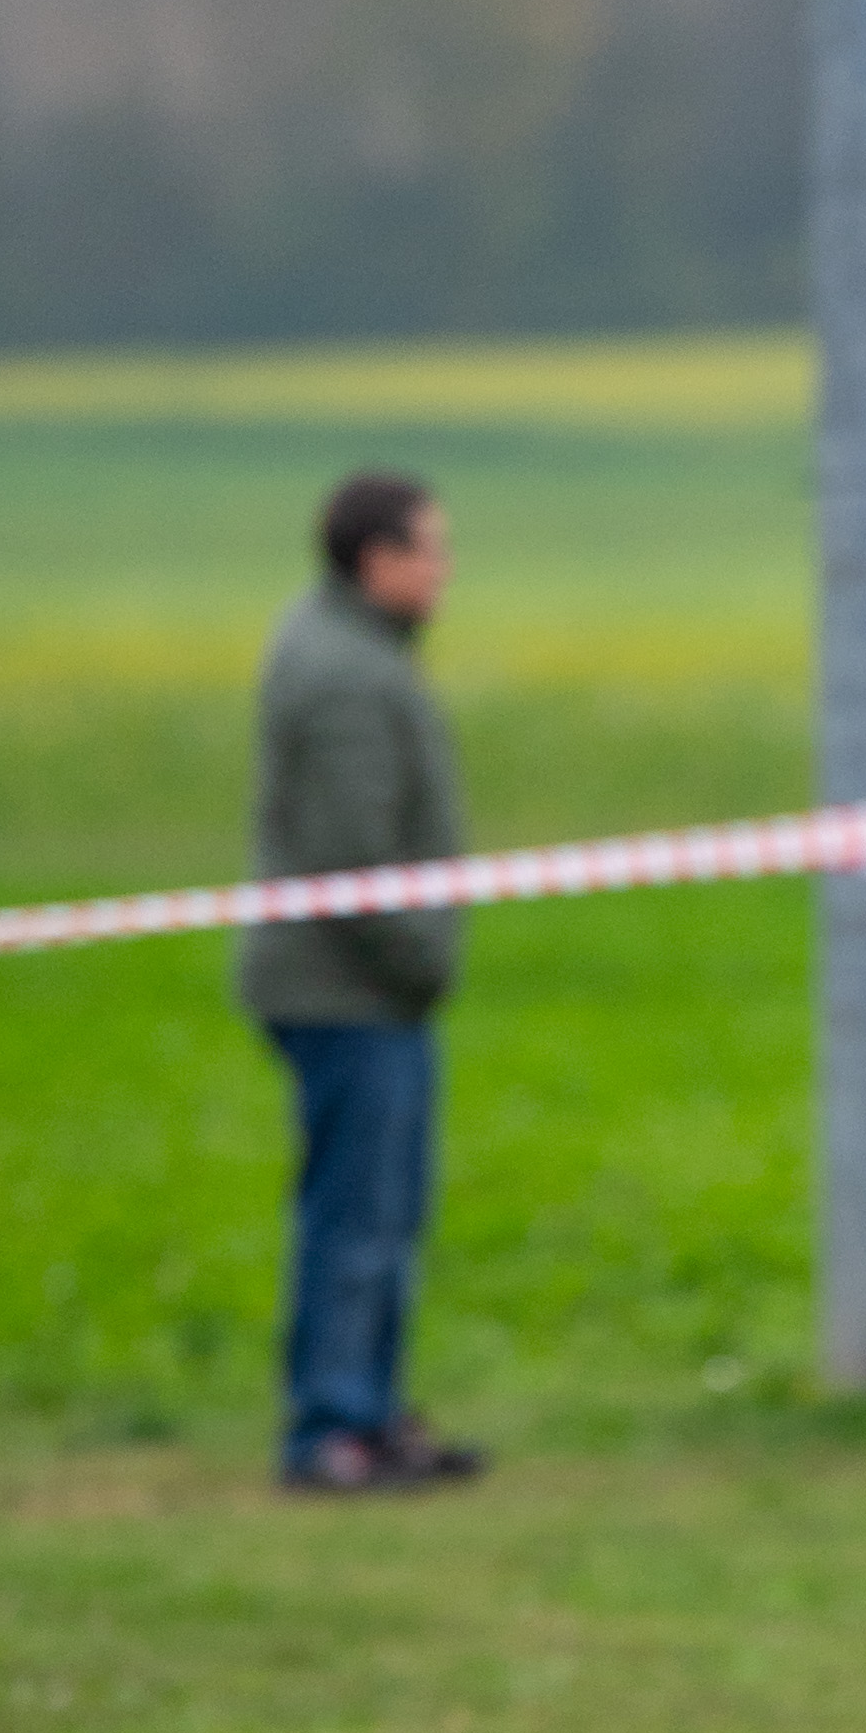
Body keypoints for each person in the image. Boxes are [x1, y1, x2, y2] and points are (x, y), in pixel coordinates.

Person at [237, 472, 489, 1495]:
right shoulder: (345, 674)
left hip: (359, 990)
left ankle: (373, 1414)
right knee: (357, 1221)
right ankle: (334, 1425)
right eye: (432, 550)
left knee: (383, 1216)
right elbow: (352, 859)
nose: (445, 570)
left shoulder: (351, 650)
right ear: (377, 560)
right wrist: (423, 958)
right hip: (346, 990)